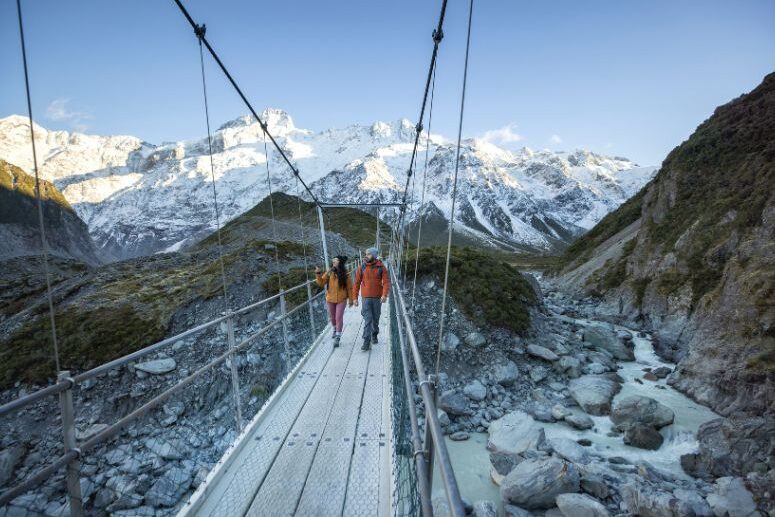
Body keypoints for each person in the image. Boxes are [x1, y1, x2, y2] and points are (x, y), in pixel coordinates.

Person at [353, 247, 390, 351]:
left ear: (374, 255)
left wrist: (384, 295)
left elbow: (386, 282)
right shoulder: (362, 267)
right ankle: (366, 341)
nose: (366, 256)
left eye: (368, 254)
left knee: (376, 319)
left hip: (378, 298)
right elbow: (356, 283)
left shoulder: (381, 267)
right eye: (366, 254)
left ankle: (374, 334)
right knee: (368, 319)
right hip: (365, 297)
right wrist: (355, 297)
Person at [315, 255, 353, 347]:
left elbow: (349, 288)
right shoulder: (329, 272)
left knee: (338, 317)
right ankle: (335, 329)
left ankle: (338, 336)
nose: (333, 261)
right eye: (333, 260)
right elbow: (321, 283)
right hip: (330, 299)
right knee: (332, 317)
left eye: (335, 260)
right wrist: (318, 273)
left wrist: (351, 300)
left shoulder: (346, 274)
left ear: (340, 262)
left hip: (341, 299)